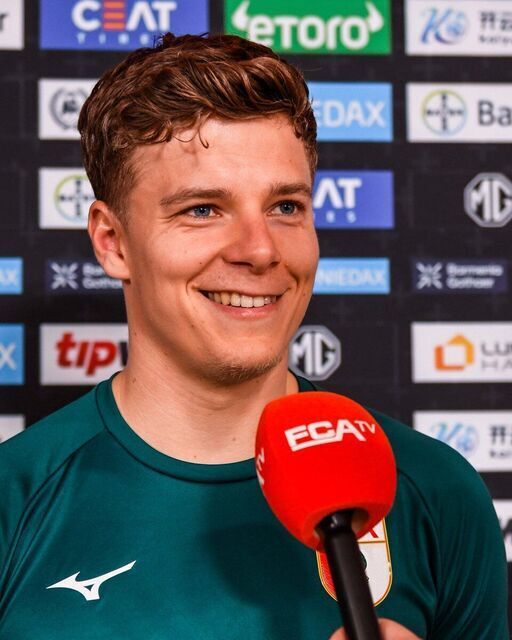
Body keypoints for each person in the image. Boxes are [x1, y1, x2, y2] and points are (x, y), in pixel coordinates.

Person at [0, 33, 508, 640]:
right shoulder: (15, 495)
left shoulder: (432, 488)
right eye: (202, 209)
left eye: (285, 206)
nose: (260, 250)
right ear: (113, 242)